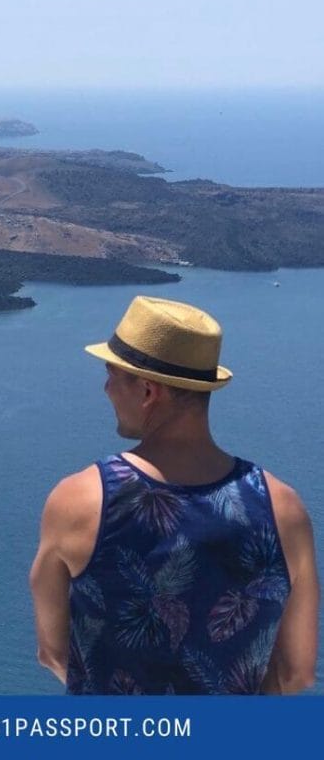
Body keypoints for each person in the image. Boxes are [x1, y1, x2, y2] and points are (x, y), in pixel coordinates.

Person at [30, 295, 319, 695]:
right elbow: (296, 674)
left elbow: (53, 652)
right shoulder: (283, 508)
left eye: (112, 373)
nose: (106, 387)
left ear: (148, 392)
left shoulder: (80, 500)